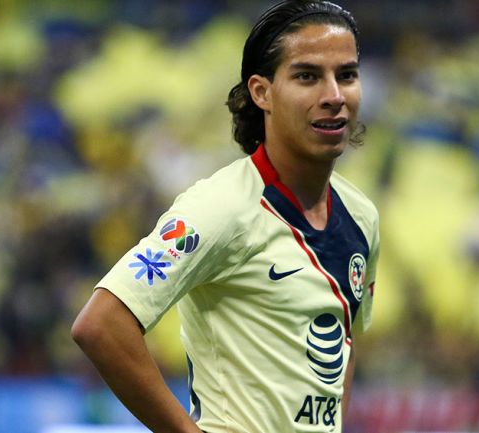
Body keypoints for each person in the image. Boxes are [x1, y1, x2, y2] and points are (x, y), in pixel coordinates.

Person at [71, 1, 380, 432]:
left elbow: (341, 351)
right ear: (262, 92)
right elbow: (101, 324)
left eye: (346, 75)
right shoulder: (219, 208)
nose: (333, 95)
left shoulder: (362, 217)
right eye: (307, 76)